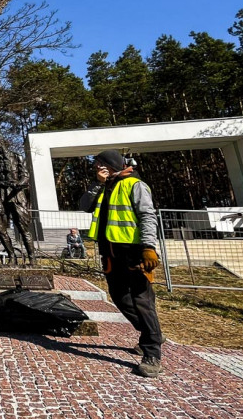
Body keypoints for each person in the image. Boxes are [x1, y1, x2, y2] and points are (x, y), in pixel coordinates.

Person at [78, 149, 164, 378]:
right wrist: (98, 184)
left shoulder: (135, 185)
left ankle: (152, 352)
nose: (96, 168)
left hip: (134, 251)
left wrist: (148, 247)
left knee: (141, 300)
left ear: (110, 164)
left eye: (99, 164)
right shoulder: (104, 186)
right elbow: (84, 205)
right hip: (109, 250)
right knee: (118, 296)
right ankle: (151, 332)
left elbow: (147, 216)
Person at [0, 135, 36, 264]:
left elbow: (25, 175)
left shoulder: (16, 156)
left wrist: (19, 183)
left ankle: (32, 258)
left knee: (23, 228)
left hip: (16, 195)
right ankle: (12, 256)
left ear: (1, 141)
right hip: (0, 196)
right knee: (1, 229)